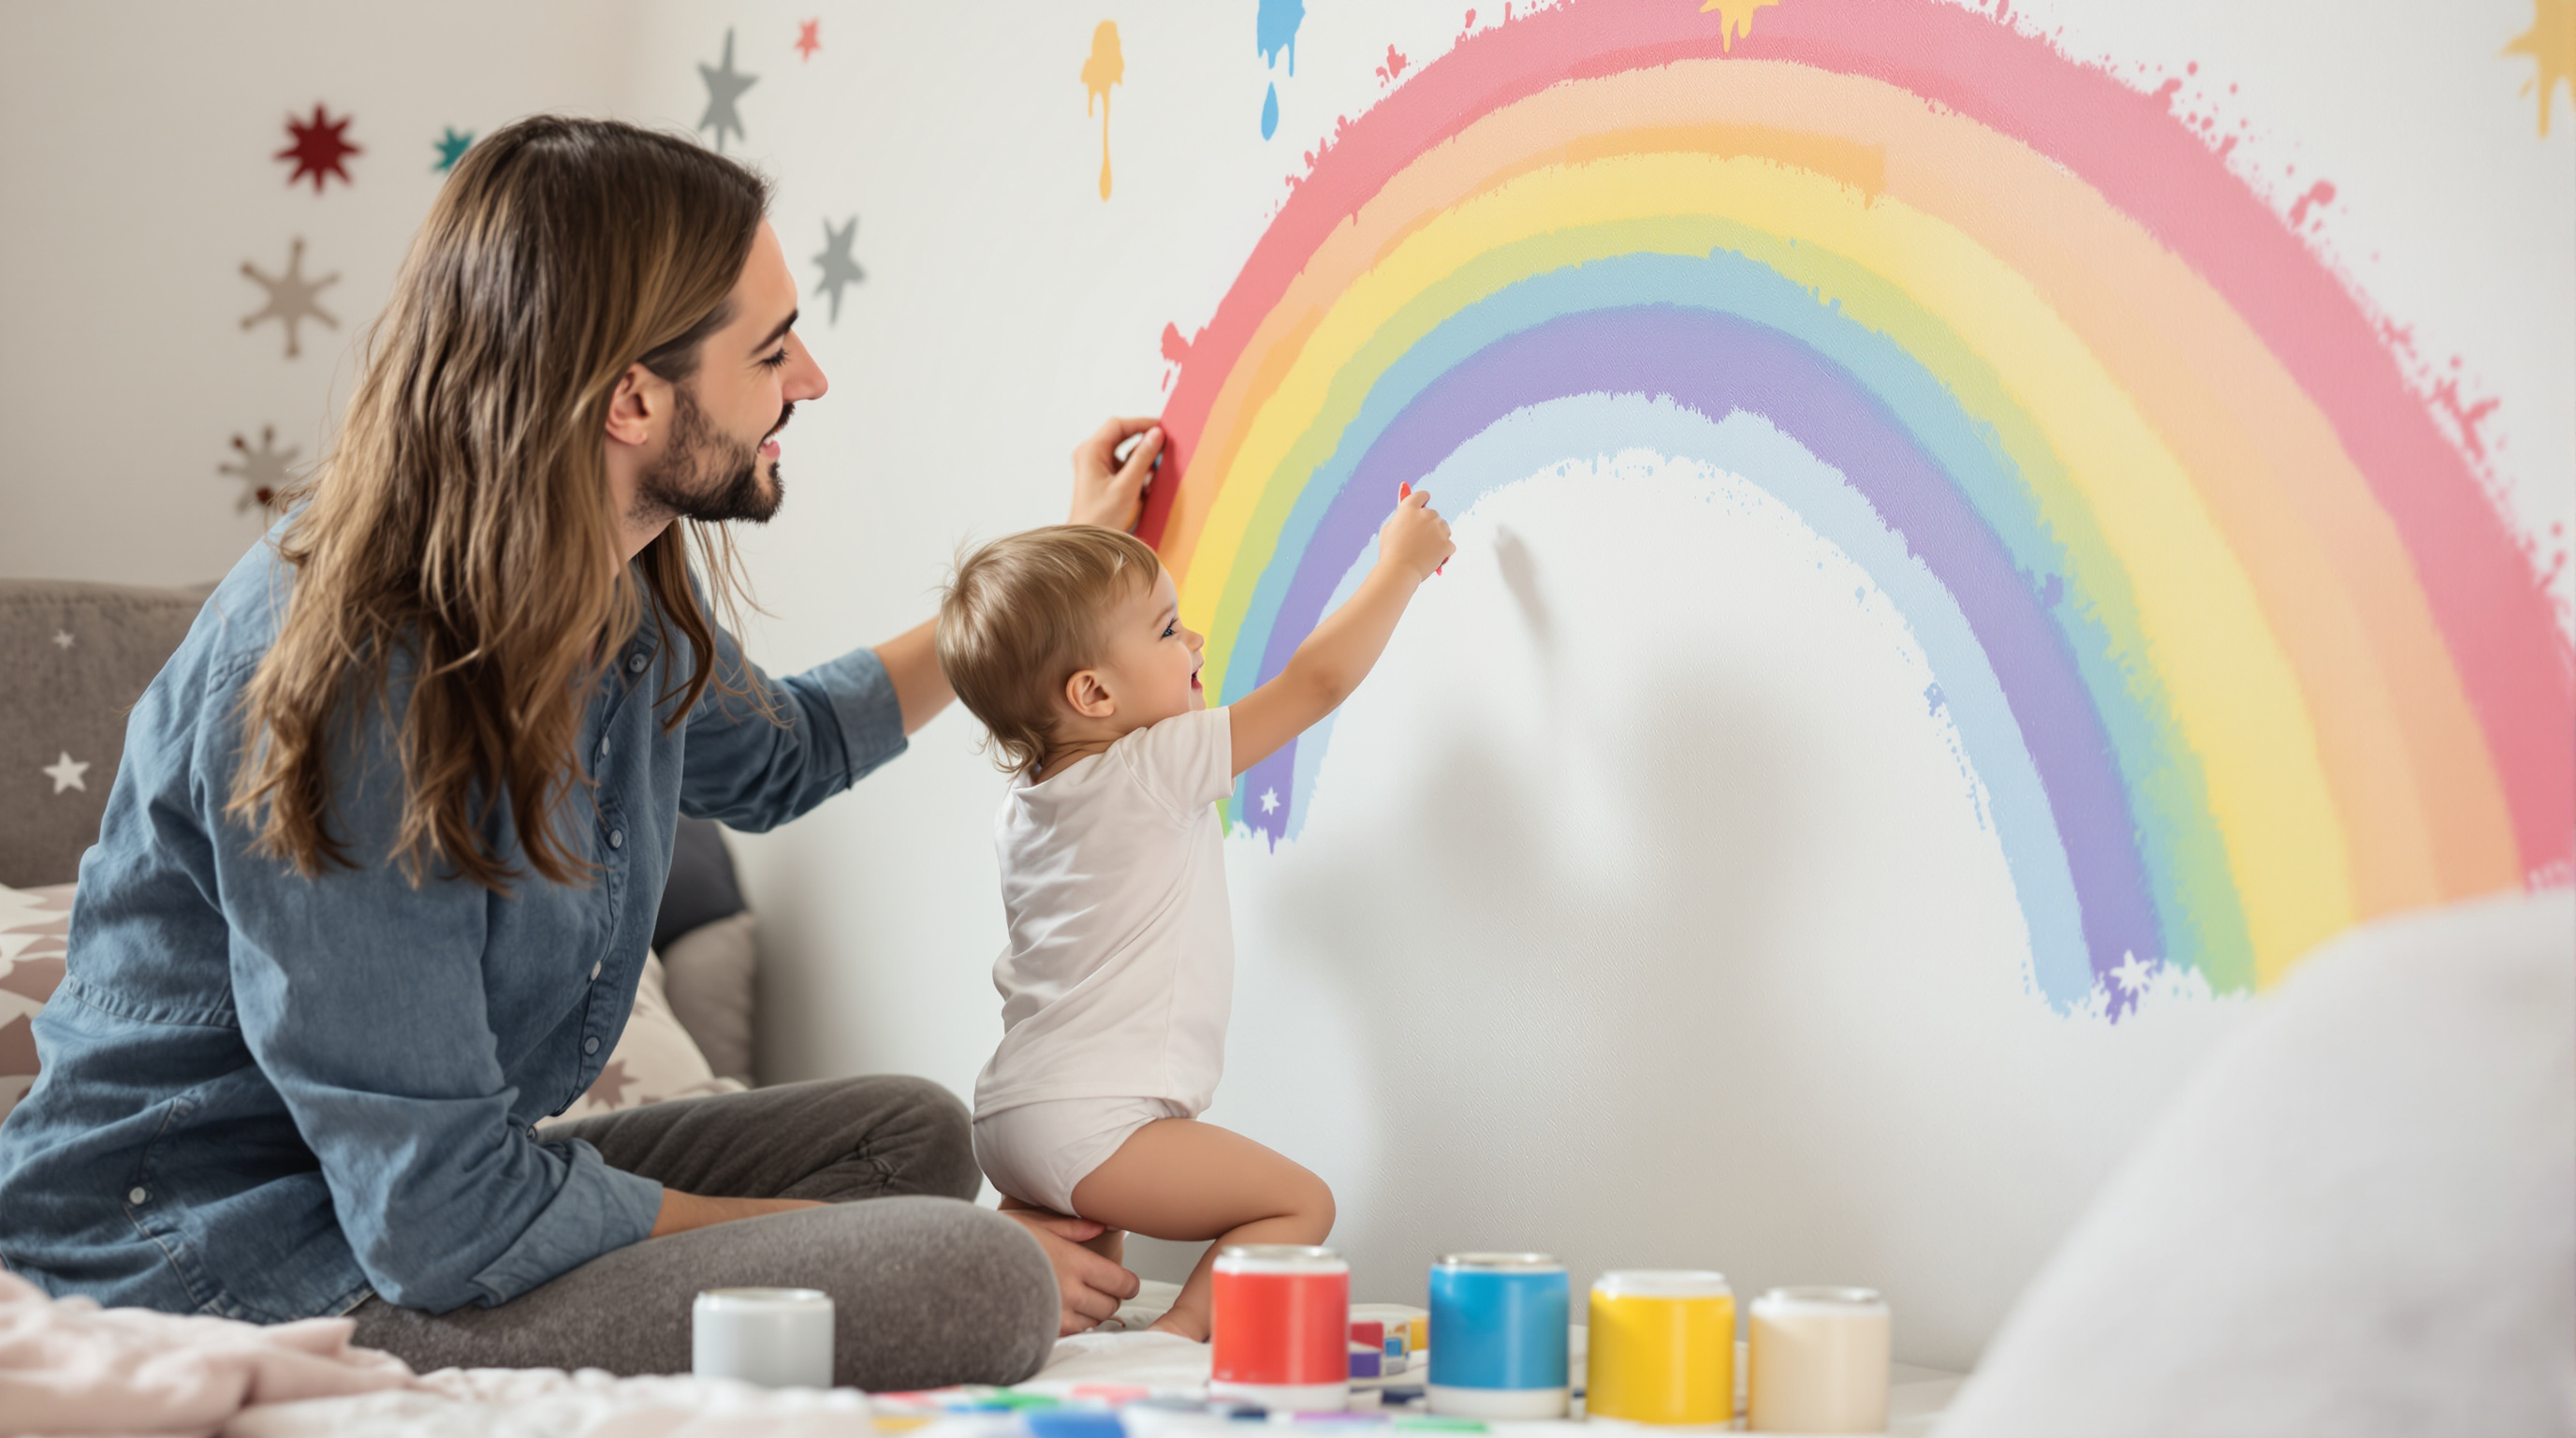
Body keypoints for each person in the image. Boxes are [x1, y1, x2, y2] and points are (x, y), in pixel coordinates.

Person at [0, 115, 1165, 1387]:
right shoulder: (355, 679)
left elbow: (785, 751)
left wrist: (1043, 583)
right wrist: (850, 1245)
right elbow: (439, 1213)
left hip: (408, 1201)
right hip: (229, 1256)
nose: (811, 380)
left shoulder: (597, 587)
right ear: (631, 398)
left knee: (911, 1139)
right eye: (772, 351)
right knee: (976, 1276)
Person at [933, 490, 1455, 1340]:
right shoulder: (1152, 767)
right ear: (1094, 692)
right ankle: (1176, 1343)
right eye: (1169, 631)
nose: (1195, 641)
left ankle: (1032, 1351)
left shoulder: (1027, 808)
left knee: (1083, 1296)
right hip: (1098, 1120)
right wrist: (1400, 563)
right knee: (1298, 1206)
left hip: (1015, 1115)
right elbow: (1314, 683)